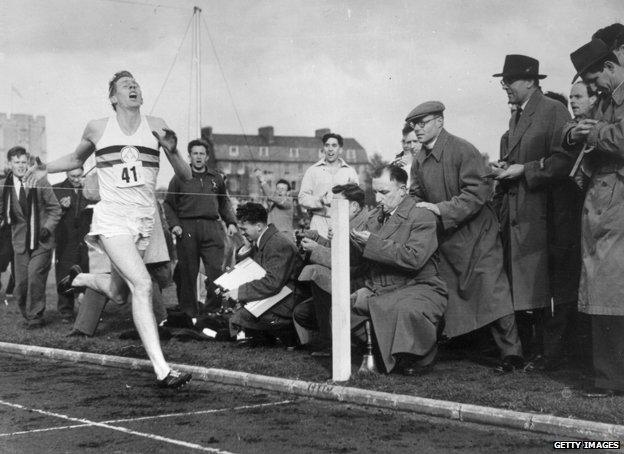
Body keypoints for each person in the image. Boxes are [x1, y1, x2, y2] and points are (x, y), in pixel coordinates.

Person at [25, 70, 192, 388]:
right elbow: (75, 158)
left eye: (137, 85)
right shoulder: (99, 127)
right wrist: (42, 167)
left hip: (143, 219)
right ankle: (162, 370)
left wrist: (172, 150)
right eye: (126, 85)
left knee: (119, 292)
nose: (134, 88)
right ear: (113, 97)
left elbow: (184, 176)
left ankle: (79, 279)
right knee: (142, 285)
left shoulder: (156, 124)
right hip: (112, 218)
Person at [406, 101, 524, 372]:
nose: (418, 130)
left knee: (493, 290)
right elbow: (416, 193)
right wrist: (413, 206)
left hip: (479, 234)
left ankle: (512, 353)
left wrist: (440, 208)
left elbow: (477, 193)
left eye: (422, 124)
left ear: (440, 122)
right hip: (449, 237)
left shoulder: (463, 149)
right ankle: (447, 346)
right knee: (448, 292)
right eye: (414, 125)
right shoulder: (420, 158)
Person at [491, 55, 581, 370]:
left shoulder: (554, 111)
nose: (504, 85)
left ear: (530, 81)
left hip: (546, 216)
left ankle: (550, 355)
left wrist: (522, 170)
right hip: (521, 215)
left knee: (547, 289)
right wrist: (505, 167)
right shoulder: (517, 116)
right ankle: (537, 352)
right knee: (530, 288)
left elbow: (564, 161)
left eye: (510, 79)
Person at [562, 38, 624, 397]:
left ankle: (611, 378)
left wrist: (594, 132)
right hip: (602, 200)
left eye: (595, 80)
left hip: (616, 201)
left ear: (610, 68)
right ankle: (607, 376)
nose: (593, 89)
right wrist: (576, 130)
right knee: (604, 291)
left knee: (611, 291)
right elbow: (574, 129)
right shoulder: (606, 100)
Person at [350, 165, 448, 375]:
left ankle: (417, 357)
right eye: (375, 191)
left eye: (384, 192)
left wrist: (372, 244)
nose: (377, 199)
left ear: (403, 190)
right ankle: (382, 350)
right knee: (342, 309)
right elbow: (362, 258)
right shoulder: (374, 216)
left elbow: (414, 258)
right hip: (382, 287)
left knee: (403, 310)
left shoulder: (421, 215)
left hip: (419, 286)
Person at [163, 139, 237, 323]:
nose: (198, 157)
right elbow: (168, 204)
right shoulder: (180, 177)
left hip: (212, 227)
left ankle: (212, 311)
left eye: (201, 153)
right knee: (188, 272)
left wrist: (231, 221)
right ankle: (189, 313)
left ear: (207, 157)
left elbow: (224, 202)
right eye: (194, 153)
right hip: (187, 228)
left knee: (216, 271)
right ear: (189, 156)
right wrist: (175, 225)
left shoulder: (216, 178)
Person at [294, 183, 370, 355]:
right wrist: (318, 240)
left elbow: (350, 262)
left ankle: (332, 342)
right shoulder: (350, 221)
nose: (331, 210)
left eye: (336, 205)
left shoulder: (362, 226)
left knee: (316, 273)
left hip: (358, 285)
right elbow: (340, 251)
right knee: (302, 313)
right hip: (352, 282)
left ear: (354, 206)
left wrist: (316, 248)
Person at [225, 202, 303, 347]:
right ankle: (269, 333)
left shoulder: (277, 243)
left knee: (239, 318)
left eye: (244, 228)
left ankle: (287, 330)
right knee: (238, 317)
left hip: (288, 298)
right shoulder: (265, 239)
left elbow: (272, 282)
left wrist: (240, 292)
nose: (242, 232)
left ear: (258, 226)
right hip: (279, 294)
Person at [0, 146, 61, 328]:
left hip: (42, 240)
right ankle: (27, 314)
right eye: (16, 162)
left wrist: (47, 227)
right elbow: (2, 209)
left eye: (23, 162)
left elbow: (55, 209)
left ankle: (36, 316)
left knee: (35, 275)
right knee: (21, 285)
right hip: (19, 241)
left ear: (28, 163)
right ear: (9, 163)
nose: (20, 166)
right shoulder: (4, 185)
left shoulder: (40, 181)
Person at [298, 133, 359, 238]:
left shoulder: (350, 171)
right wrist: (319, 201)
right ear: (323, 149)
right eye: (327, 145)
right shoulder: (313, 170)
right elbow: (302, 198)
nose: (330, 149)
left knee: (340, 253)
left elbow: (357, 200)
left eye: (334, 146)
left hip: (342, 221)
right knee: (316, 252)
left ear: (340, 150)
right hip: (319, 220)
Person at [53, 167, 92, 322]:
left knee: (86, 272)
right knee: (64, 274)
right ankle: (66, 312)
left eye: (79, 176)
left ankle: (87, 310)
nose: (76, 179)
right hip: (65, 239)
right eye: (72, 176)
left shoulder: (90, 189)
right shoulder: (56, 190)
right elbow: (50, 213)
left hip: (86, 239)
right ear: (66, 173)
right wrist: (61, 207)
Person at [254, 170, 294, 235]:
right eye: (278, 188)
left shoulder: (288, 203)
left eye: (282, 189)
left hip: (284, 235)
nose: (279, 191)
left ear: (288, 192)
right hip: (274, 235)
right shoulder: (275, 203)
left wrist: (262, 180)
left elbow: (270, 195)